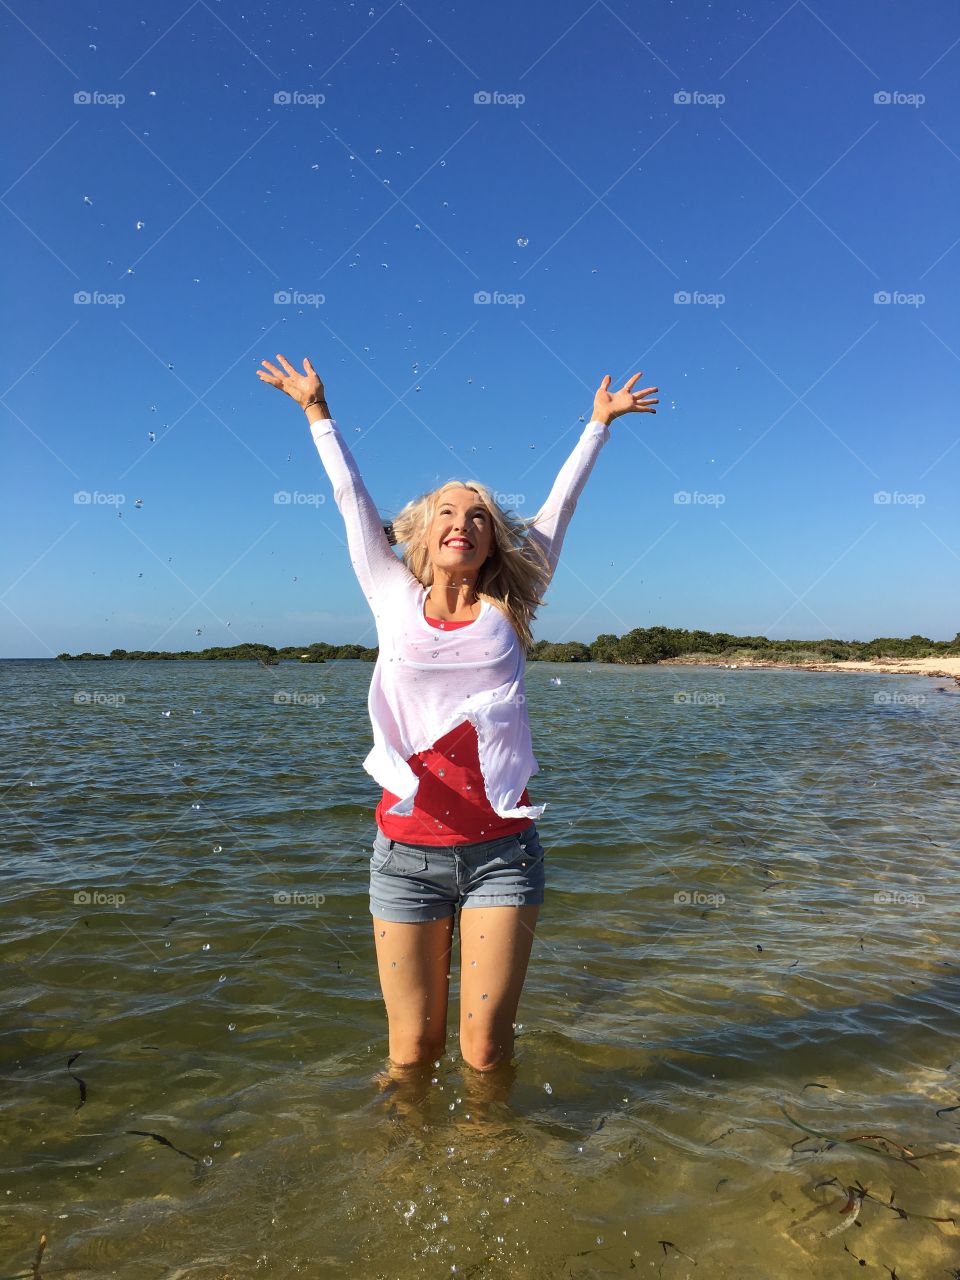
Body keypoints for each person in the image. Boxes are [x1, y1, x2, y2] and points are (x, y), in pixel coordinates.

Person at [257, 354, 658, 1084]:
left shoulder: (513, 601)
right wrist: (318, 412)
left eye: (478, 515)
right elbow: (350, 500)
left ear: (490, 537)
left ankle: (491, 1162)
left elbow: (559, 508)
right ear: (422, 529)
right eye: (448, 509)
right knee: (411, 1054)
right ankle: (405, 1169)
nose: (463, 522)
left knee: (483, 1052)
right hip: (405, 856)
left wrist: (597, 426)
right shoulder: (388, 592)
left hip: (503, 853)